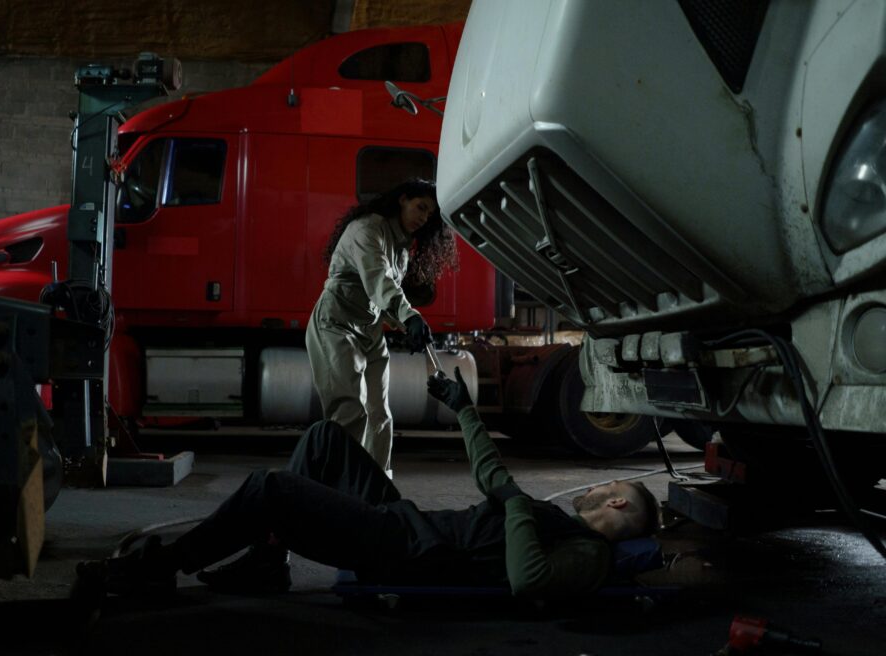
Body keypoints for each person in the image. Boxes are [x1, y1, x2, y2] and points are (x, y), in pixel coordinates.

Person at [77, 369, 660, 601]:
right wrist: (465, 414)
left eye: (609, 485)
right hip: (413, 524)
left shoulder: (590, 554)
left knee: (273, 489)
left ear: (616, 502)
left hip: (411, 552)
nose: (598, 485)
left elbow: (527, 579)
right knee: (327, 438)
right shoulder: (571, 532)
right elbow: (495, 486)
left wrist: (513, 506)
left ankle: (163, 568)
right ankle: (268, 559)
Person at [305, 178, 457, 474]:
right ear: (402, 200)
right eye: (420, 207)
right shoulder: (367, 229)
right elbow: (379, 281)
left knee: (379, 415)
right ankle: (343, 489)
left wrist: (406, 325)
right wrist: (410, 316)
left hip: (370, 333)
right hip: (336, 325)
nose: (424, 217)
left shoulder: (401, 249)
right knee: (349, 410)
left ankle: (379, 487)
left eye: (429, 214)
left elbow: (382, 299)